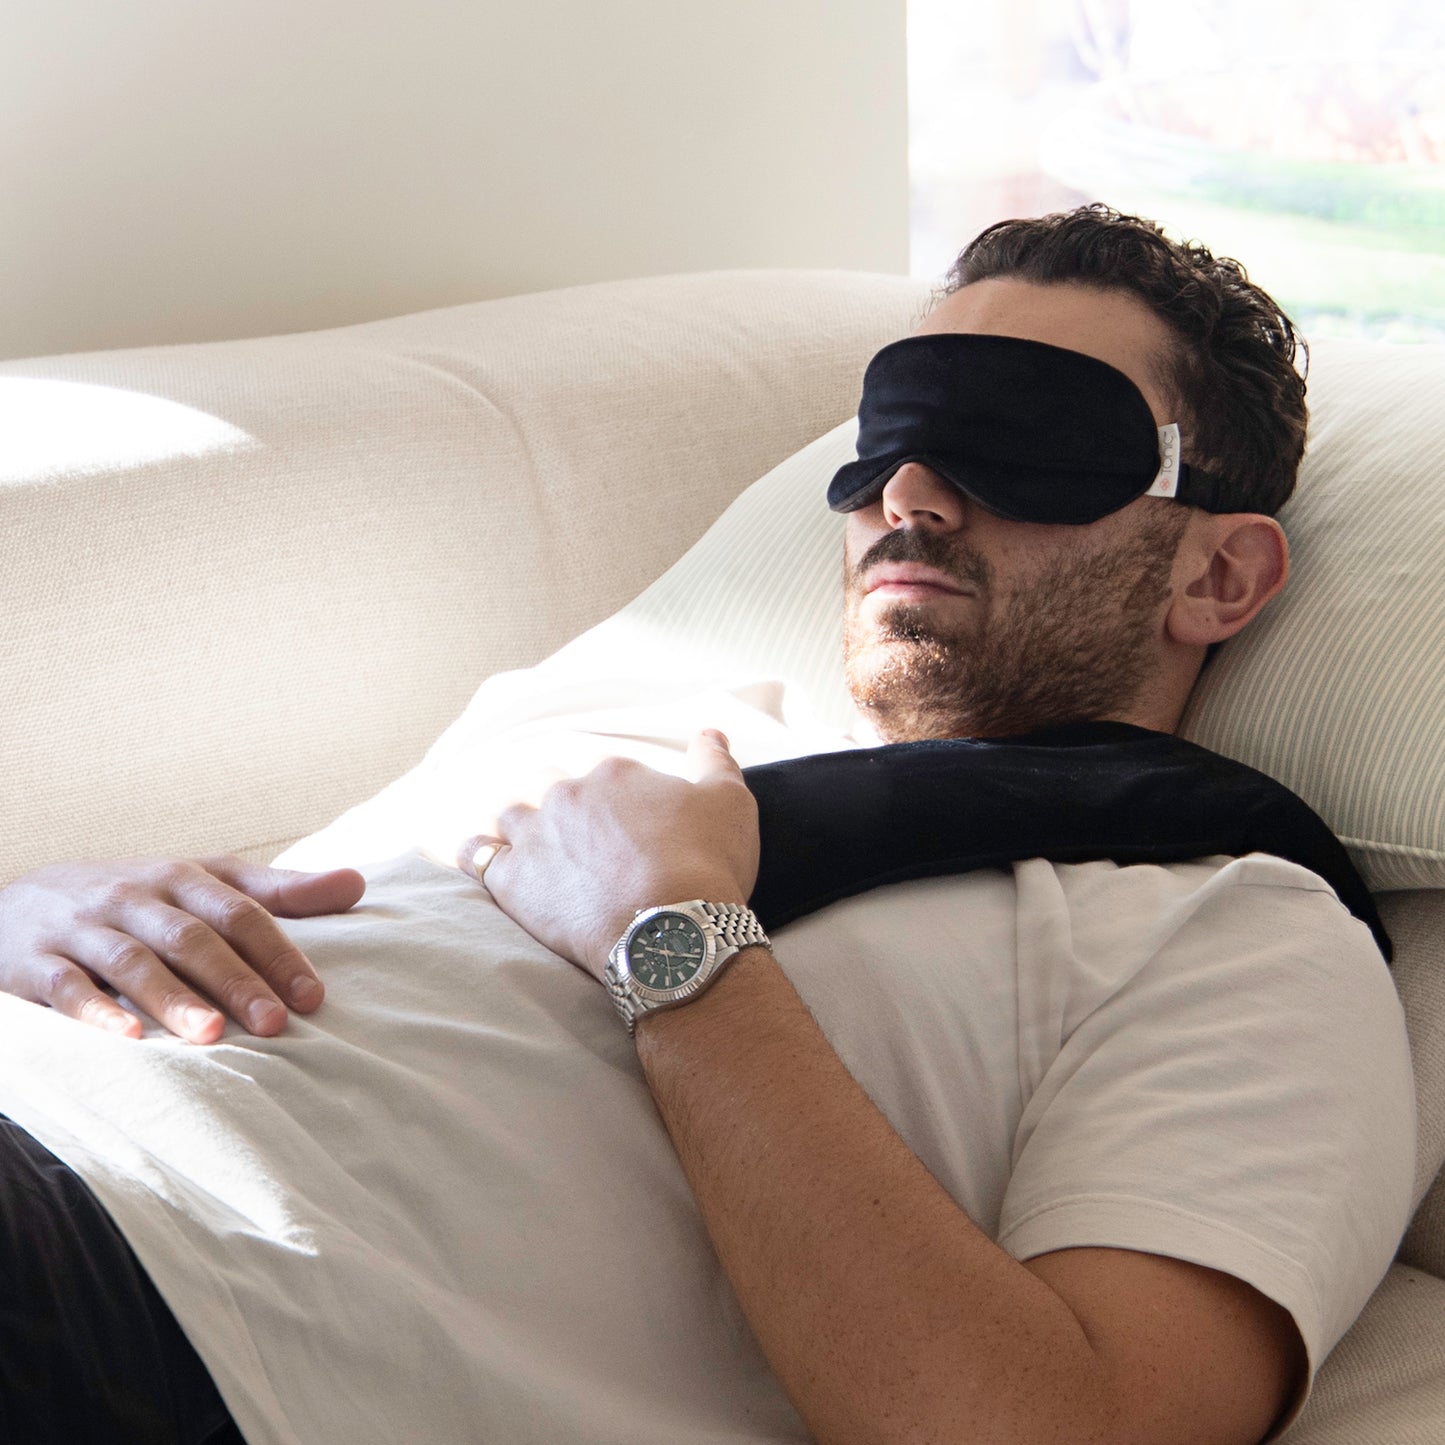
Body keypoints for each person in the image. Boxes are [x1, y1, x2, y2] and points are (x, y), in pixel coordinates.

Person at [0, 206, 1414, 1445]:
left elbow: (1065, 1425)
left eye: (1025, 436)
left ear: (1220, 576)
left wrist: (669, 937)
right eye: (891, 438)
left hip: (170, 1288)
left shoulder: (1232, 927)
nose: (910, 495)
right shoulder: (626, 710)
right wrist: (37, 918)